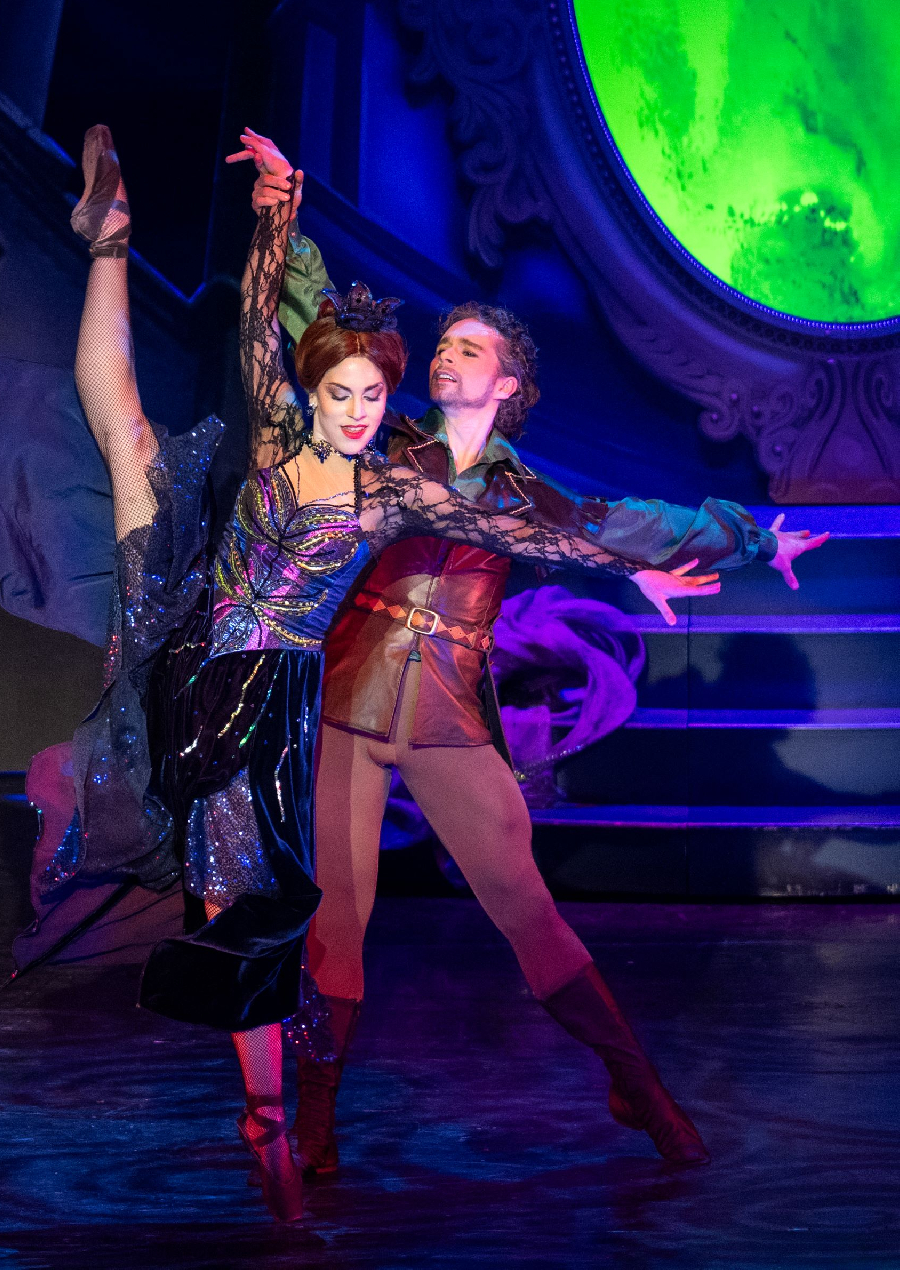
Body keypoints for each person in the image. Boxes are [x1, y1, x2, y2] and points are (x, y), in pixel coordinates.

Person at [61, 125, 720, 1222]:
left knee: (283, 910)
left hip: (309, 702)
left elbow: (533, 533)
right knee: (125, 435)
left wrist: (631, 572)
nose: (364, 409)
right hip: (236, 665)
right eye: (348, 391)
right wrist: (275, 219)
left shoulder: (397, 492)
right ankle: (109, 240)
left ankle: (290, 1119)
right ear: (319, 391)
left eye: (377, 393)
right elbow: (260, 329)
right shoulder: (290, 437)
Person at [240, 141, 830, 1183]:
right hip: (347, 704)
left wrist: (753, 538)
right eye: (444, 344)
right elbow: (324, 334)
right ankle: (318, 1118)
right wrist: (285, 219)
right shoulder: (385, 445)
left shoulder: (526, 495)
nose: (446, 356)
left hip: (448, 717)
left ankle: (637, 1084)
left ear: (506, 384)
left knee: (526, 908)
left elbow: (635, 522)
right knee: (339, 922)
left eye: (469, 348)